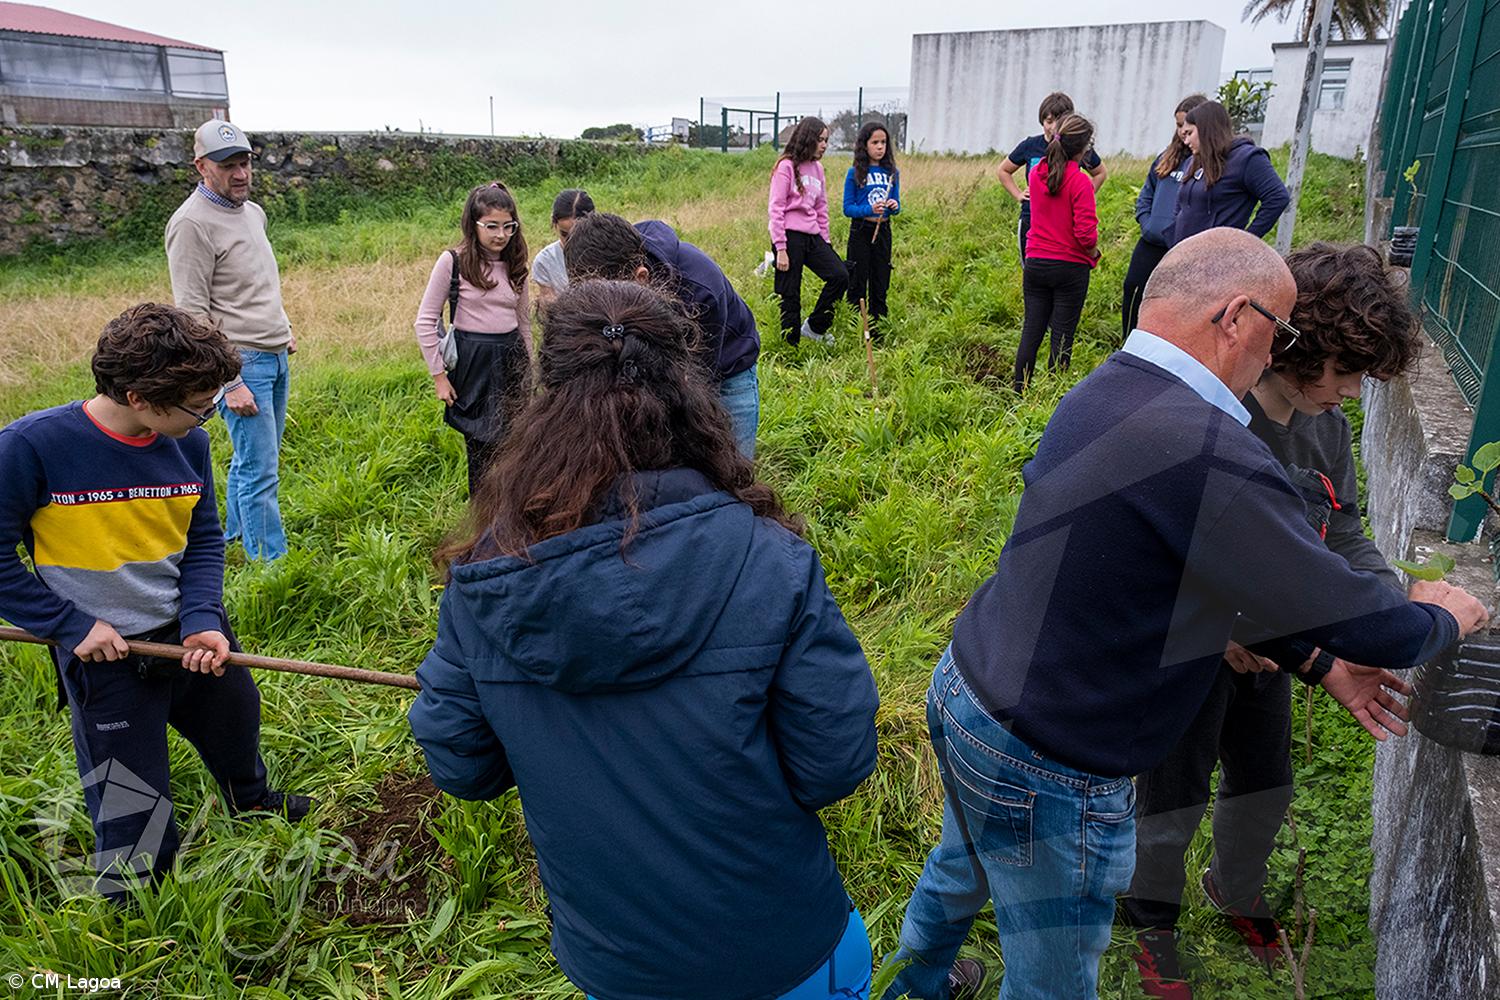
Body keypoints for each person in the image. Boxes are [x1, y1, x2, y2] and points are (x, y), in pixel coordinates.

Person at [882, 227, 1489, 999]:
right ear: (1237, 317)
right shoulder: (1206, 451)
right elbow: (1372, 623)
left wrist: (1316, 661)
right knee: (1054, 978)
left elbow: (1199, 576)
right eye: (1281, 332)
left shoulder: (1111, 384)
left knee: (955, 872)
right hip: (1052, 758)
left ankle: (911, 983)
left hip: (969, 690)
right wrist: (1444, 615)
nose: (1278, 355)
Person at [407, 279, 879, 1000]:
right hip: (785, 947)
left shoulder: (486, 586)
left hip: (618, 964)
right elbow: (835, 760)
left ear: (544, 391)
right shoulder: (769, 560)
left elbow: (461, 763)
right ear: (687, 387)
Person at [1123, 241, 1423, 998]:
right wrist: (1233, 631)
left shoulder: (1324, 427)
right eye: (1349, 373)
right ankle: (1153, 922)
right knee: (1170, 802)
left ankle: (1235, 888)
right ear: (1306, 350)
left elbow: (1343, 527)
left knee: (1268, 785)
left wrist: (1387, 603)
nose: (1353, 395)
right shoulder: (1215, 418)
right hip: (1190, 657)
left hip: (1274, 659)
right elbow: (1173, 553)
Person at [0, 304, 314, 900]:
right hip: (102, 654)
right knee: (129, 792)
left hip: (188, 631)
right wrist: (68, 625)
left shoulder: (186, 446)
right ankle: (133, 895)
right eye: (199, 405)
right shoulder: (32, 449)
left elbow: (201, 541)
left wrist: (201, 620)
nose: (208, 418)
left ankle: (249, 801)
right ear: (141, 396)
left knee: (235, 721)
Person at [165, 119, 294, 562]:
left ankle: (237, 537)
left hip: (275, 353)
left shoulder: (252, 212)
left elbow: (256, 282)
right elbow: (192, 315)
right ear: (201, 166)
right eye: (227, 166)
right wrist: (227, 381)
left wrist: (283, 329)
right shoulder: (190, 225)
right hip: (241, 362)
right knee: (262, 469)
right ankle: (270, 565)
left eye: (245, 163)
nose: (240, 174)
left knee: (253, 458)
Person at [563, 211, 763, 458]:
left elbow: (696, 386)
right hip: (657, 366)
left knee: (729, 460)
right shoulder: (606, 260)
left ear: (641, 278)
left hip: (727, 368)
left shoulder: (699, 291)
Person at [414, 181, 532, 498]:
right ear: (474, 224)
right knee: (479, 447)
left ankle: (512, 510)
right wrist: (439, 377)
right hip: (473, 363)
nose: (500, 235)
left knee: (516, 445)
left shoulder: (516, 263)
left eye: (508, 226)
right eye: (491, 226)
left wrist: (530, 369)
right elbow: (425, 320)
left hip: (511, 360)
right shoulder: (453, 261)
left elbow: (523, 322)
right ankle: (481, 517)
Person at [1013, 114, 1100, 393]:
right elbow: (1086, 234)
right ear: (1084, 148)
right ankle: (1053, 397)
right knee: (1062, 337)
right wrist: (1094, 252)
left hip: (1035, 261)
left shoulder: (1038, 174)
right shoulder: (1081, 182)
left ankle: (1019, 391)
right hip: (1069, 268)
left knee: (1032, 331)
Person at [1123, 94, 1208, 340]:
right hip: (1151, 241)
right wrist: (1146, 222)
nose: (1182, 131)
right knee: (1134, 289)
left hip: (1181, 246)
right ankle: (1128, 343)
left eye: (1186, 126)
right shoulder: (1166, 157)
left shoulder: (1207, 162)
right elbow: (1146, 195)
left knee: (1173, 302)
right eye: (1178, 125)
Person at [998, 91, 1108, 262]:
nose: (1053, 126)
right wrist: (1019, 195)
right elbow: (1003, 170)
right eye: (1049, 121)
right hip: (1032, 218)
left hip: (1065, 222)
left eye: (1058, 120)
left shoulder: (1078, 147)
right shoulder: (1030, 145)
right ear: (1041, 120)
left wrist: (1084, 196)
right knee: (1030, 270)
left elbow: (1100, 172)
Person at [769, 116, 849, 346]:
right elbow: (776, 208)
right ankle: (790, 345)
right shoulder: (785, 166)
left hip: (813, 236)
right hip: (789, 236)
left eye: (826, 140)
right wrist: (781, 248)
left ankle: (815, 327)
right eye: (820, 140)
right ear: (807, 139)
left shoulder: (818, 169)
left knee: (840, 275)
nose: (824, 145)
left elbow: (821, 207)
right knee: (790, 292)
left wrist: (826, 242)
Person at [1168, 101, 1290, 246]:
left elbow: (1277, 197)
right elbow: (1180, 203)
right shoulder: (1194, 160)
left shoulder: (1248, 158)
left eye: (1190, 133)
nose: (1186, 141)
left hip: (1218, 258)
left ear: (1206, 130)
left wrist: (1246, 240)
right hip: (1183, 253)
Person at [843, 121, 901, 339]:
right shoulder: (854, 173)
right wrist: (869, 208)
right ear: (864, 145)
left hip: (883, 229)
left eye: (884, 142)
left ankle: (878, 327)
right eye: (875, 142)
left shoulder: (892, 173)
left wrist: (894, 207)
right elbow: (848, 208)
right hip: (861, 230)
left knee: (880, 277)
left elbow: (896, 202)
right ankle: (857, 326)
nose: (880, 147)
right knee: (858, 277)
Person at [531, 188, 594, 308]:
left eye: (580, 234)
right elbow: (547, 303)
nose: (572, 241)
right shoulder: (545, 261)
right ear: (554, 223)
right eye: (565, 234)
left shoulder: (607, 251)